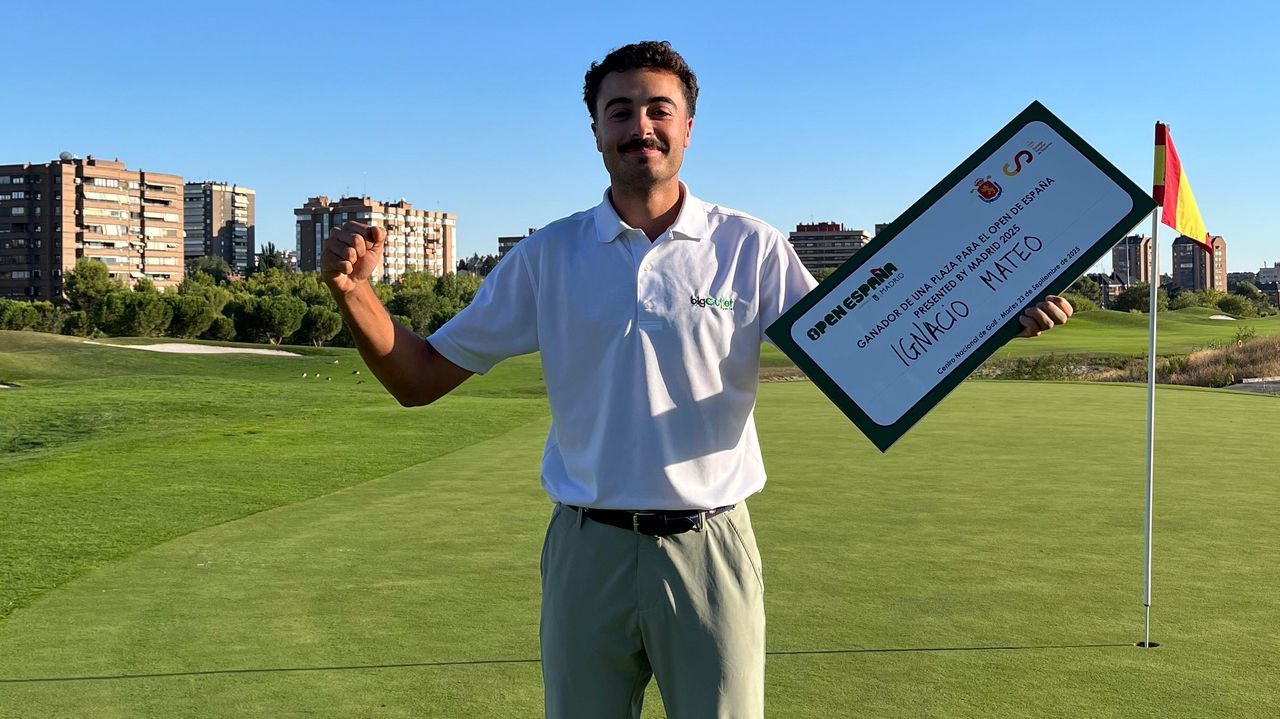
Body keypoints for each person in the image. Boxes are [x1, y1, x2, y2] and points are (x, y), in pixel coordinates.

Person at [321, 41, 1072, 719]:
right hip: (589, 551)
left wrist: (992, 315)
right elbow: (417, 377)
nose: (639, 125)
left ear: (688, 127)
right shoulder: (548, 255)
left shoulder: (751, 245)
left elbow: (863, 352)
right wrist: (356, 295)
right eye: (619, 111)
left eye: (659, 109)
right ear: (594, 130)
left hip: (710, 548)